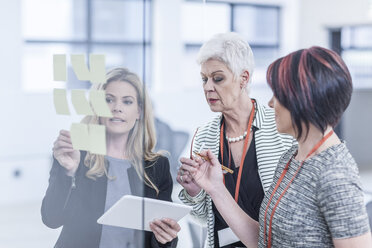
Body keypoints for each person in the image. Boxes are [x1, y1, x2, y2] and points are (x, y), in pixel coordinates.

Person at [186, 47, 372, 247]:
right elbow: (266, 240)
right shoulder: (292, 157)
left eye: (278, 94)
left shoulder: (335, 174)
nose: (271, 103)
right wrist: (215, 188)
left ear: (304, 99)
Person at [177, 32, 294, 248]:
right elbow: (203, 219)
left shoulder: (281, 127)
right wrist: (194, 192)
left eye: (217, 78)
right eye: (204, 79)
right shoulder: (203, 136)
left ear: (244, 78)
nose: (207, 87)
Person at [41, 68, 180, 248]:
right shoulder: (76, 156)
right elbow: (51, 219)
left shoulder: (157, 166)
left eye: (127, 102)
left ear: (138, 112)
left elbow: (163, 239)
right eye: (108, 100)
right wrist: (69, 172)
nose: (117, 108)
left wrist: (166, 239)